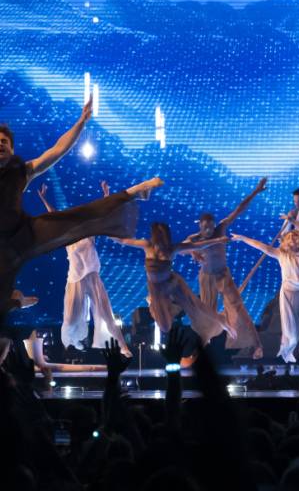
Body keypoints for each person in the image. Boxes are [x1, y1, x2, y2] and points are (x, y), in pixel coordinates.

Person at [0, 98, 162, 317]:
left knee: (77, 218)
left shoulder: (22, 171)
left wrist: (81, 121)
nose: (0, 144)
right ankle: (16, 301)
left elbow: (57, 150)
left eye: (4, 142)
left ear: (12, 150)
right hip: (3, 250)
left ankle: (133, 192)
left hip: (21, 234)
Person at [232, 215, 299, 375]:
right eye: (289, 238)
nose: (292, 240)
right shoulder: (281, 254)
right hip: (289, 297)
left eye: (295, 237)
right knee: (292, 336)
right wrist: (242, 238)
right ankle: (286, 351)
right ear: (286, 242)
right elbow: (261, 246)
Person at [36, 183, 130, 356]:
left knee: (106, 314)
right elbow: (54, 216)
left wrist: (106, 194)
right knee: (70, 318)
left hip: (92, 276)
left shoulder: (89, 234)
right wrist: (44, 198)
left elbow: (102, 215)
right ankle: (74, 340)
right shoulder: (67, 237)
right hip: (76, 278)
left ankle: (123, 346)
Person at [185, 178, 268, 359]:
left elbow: (239, 209)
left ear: (214, 225)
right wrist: (192, 252)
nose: (208, 230)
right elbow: (179, 249)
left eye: (210, 226)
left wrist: (255, 191)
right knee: (207, 315)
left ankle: (257, 345)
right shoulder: (194, 238)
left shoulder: (221, 228)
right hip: (207, 277)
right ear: (200, 226)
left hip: (222, 275)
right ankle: (199, 351)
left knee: (238, 307)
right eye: (205, 227)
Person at [113, 223, 233, 345]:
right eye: (159, 238)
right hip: (156, 289)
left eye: (163, 238)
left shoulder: (172, 249)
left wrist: (218, 240)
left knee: (196, 303)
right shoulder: (147, 245)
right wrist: (107, 232)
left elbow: (197, 245)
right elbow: (123, 241)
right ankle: (155, 304)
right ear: (155, 237)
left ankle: (222, 322)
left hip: (172, 282)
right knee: (165, 327)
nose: (161, 241)